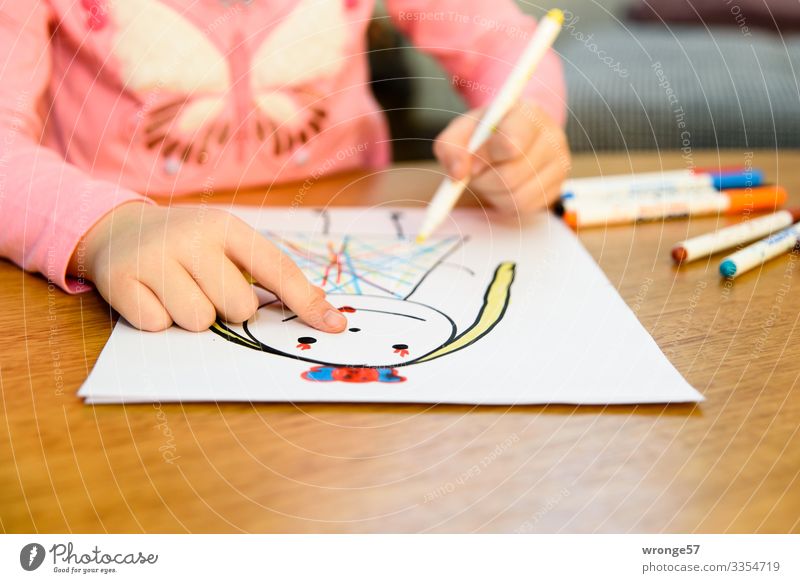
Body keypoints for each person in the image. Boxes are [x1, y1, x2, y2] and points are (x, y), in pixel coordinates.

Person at [0, 0, 569, 333]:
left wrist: (524, 124)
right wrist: (107, 230)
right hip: (129, 264)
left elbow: (503, 39)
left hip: (346, 211)